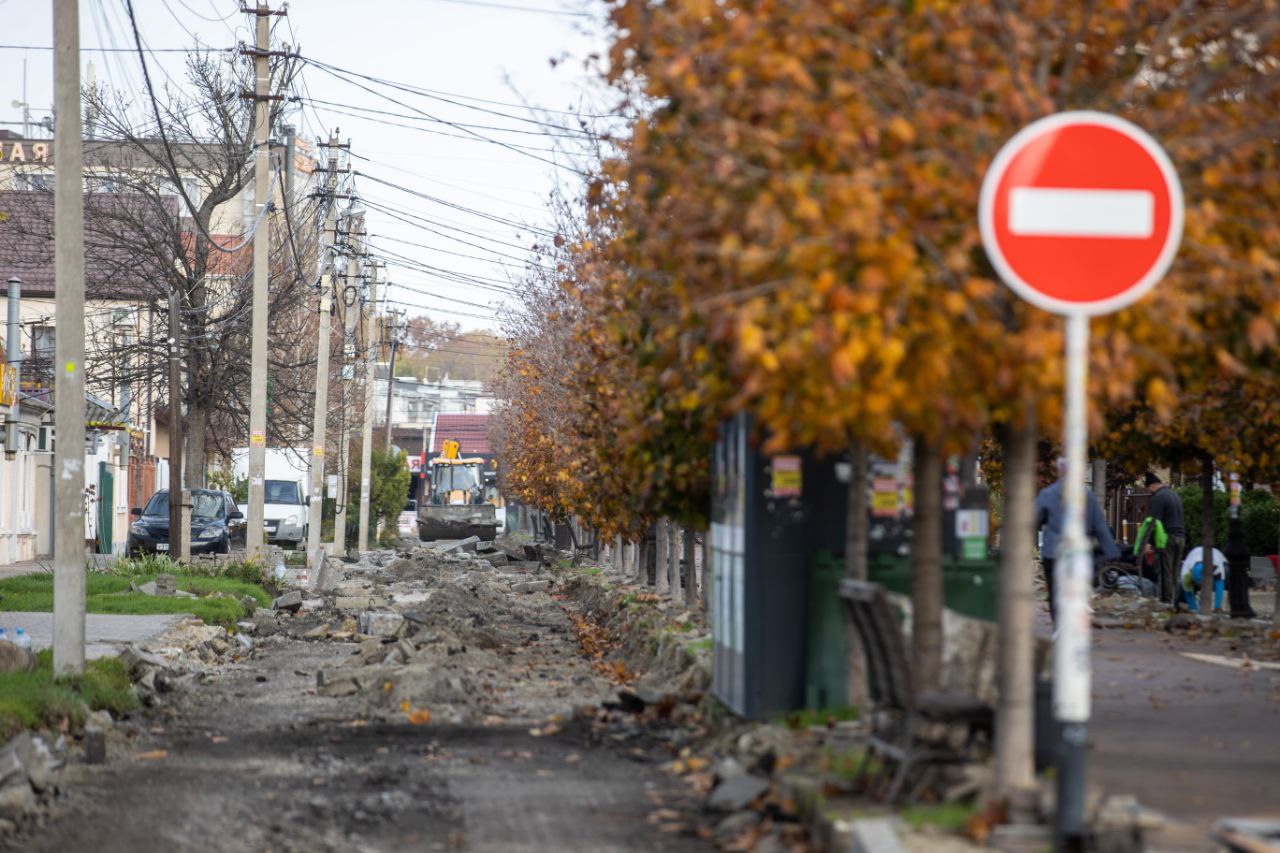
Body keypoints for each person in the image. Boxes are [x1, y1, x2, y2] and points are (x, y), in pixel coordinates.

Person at [1035, 458, 1120, 623]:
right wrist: (1111, 550)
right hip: (1078, 551)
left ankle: (1059, 624)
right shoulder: (1087, 495)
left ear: (1060, 472)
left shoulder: (1048, 494)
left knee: (1054, 591)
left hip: (1053, 551)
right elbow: (1100, 526)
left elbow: (1033, 520)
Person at [1144, 472, 1186, 606]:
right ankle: (1175, 599)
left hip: (1167, 539)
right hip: (1181, 538)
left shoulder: (1158, 497)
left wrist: (1149, 542)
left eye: (1148, 489)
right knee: (1174, 572)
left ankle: (1165, 601)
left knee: (1165, 571)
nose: (1149, 492)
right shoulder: (1174, 495)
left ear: (1152, 486)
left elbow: (1154, 522)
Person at [1179, 545, 1226, 612]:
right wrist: (1194, 609)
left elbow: (1220, 587)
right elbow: (1188, 592)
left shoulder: (1217, 566)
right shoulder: (1186, 573)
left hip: (1219, 559)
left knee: (1221, 583)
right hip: (1193, 563)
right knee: (1183, 590)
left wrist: (1217, 607)